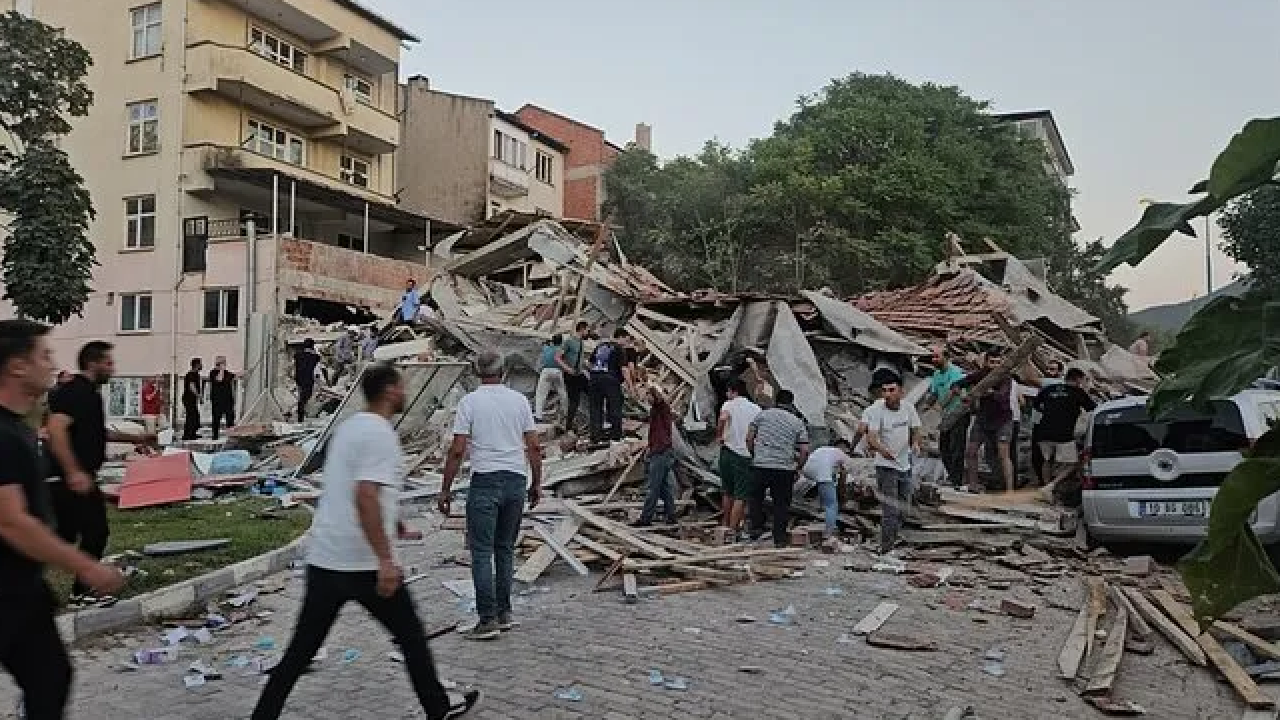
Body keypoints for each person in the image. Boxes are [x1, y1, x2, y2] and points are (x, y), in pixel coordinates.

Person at [251, 363, 479, 720]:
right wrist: (385, 559)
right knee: (411, 637)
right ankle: (437, 709)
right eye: (400, 387)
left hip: (325, 558)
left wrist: (394, 523)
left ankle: (263, 715)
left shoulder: (348, 428)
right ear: (388, 391)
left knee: (301, 650)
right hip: (363, 564)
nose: (405, 393)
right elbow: (365, 495)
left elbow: (352, 489)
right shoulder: (380, 434)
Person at [0, 320, 126, 720]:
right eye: (44, 355)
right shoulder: (3, 436)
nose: (53, 364)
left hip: (21, 588)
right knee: (48, 679)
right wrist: (86, 567)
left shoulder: (18, 428)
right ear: (17, 366)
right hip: (4, 591)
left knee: (51, 678)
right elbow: (11, 522)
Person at [438, 351, 542, 641]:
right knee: (505, 549)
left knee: (482, 552)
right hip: (515, 479)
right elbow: (534, 446)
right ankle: (505, 612)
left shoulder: (469, 402)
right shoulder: (519, 401)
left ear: (476, 372)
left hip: (485, 480)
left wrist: (445, 488)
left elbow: (457, 450)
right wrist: (537, 483)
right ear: (503, 371)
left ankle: (487, 619)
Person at [46, 341, 156, 604]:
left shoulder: (91, 395)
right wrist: (73, 472)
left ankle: (78, 590)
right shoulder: (74, 392)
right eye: (108, 363)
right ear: (92, 363)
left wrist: (137, 438)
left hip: (79, 478)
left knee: (73, 535)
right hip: (69, 480)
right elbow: (56, 430)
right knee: (91, 532)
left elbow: (96, 432)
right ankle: (81, 591)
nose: (112, 369)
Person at [861, 374, 922, 553]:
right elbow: (871, 437)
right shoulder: (877, 410)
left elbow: (916, 428)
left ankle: (896, 538)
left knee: (904, 505)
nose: (887, 394)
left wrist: (916, 443)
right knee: (891, 509)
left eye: (891, 390)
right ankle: (886, 548)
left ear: (901, 392)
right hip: (886, 466)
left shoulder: (908, 408)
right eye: (884, 391)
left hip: (905, 464)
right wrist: (882, 450)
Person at [745, 389, 810, 547]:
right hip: (784, 469)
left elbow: (749, 438)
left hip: (761, 465)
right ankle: (779, 539)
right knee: (781, 504)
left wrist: (754, 454)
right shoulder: (797, 422)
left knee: (755, 499)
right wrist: (798, 467)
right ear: (791, 403)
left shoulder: (762, 415)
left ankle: (755, 530)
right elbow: (804, 450)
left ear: (776, 400)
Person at [952, 351, 1016, 493]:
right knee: (971, 452)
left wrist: (989, 392)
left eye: (998, 362)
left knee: (1003, 455)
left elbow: (1002, 396)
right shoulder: (980, 375)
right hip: (982, 419)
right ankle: (973, 485)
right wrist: (961, 393)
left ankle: (1010, 490)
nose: (995, 365)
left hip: (1002, 420)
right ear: (986, 362)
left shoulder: (1005, 377)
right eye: (992, 362)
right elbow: (957, 384)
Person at [1032, 367, 1097, 489]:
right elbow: (1092, 408)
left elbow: (1036, 405)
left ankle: (1046, 489)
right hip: (1064, 435)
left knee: (1047, 461)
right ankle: (1051, 486)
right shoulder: (1077, 392)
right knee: (1073, 464)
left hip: (1043, 432)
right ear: (1078, 380)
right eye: (1083, 380)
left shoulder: (1049, 389)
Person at [716, 378, 760, 535]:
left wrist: (719, 435)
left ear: (733, 391)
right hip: (744, 454)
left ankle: (725, 524)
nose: (726, 394)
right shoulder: (756, 409)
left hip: (727, 451)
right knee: (741, 494)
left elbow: (723, 418)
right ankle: (733, 529)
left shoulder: (729, 405)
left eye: (728, 391)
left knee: (727, 491)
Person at [921, 347, 968, 487]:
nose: (934, 360)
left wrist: (940, 405)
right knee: (944, 447)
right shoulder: (936, 374)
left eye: (937, 357)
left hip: (959, 413)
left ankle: (956, 480)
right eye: (933, 357)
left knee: (956, 447)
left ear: (946, 357)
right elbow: (934, 393)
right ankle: (952, 477)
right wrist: (926, 405)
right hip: (947, 416)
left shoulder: (955, 372)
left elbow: (953, 392)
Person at [636, 385, 678, 527]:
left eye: (647, 396)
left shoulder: (661, 409)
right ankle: (671, 515)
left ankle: (646, 518)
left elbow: (659, 432)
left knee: (653, 487)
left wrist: (654, 449)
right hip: (662, 450)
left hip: (660, 451)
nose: (646, 399)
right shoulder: (656, 410)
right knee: (664, 486)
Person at [800, 438, 855, 541]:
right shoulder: (842, 455)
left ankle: (824, 518)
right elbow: (844, 476)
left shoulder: (825, 450)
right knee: (832, 505)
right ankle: (828, 533)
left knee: (826, 491)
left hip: (808, 470)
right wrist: (842, 495)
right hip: (823, 472)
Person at [586, 329, 629, 444]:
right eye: (626, 340)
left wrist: (595, 373)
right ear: (621, 337)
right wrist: (630, 386)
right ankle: (615, 436)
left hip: (594, 379)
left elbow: (589, 363)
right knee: (615, 406)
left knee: (595, 408)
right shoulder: (619, 349)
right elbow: (624, 369)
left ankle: (595, 436)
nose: (627, 343)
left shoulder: (600, 346)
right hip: (610, 379)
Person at [1029, 359, 1064, 484]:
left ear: (1060, 372)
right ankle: (1043, 482)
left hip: (1048, 424)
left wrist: (1026, 359)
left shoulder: (1057, 382)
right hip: (1039, 423)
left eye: (1052, 369)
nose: (1048, 371)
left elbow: (1030, 379)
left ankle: (1047, 482)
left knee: (1045, 456)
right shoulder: (1049, 383)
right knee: (1037, 455)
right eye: (1047, 369)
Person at [558, 322, 590, 432]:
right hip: (570, 375)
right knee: (574, 401)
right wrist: (567, 369)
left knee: (593, 392)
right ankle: (569, 426)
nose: (588, 333)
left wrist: (587, 367)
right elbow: (557, 357)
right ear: (582, 329)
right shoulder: (569, 341)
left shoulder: (581, 343)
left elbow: (580, 359)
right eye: (587, 330)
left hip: (579, 374)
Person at [533, 334, 567, 423]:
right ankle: (565, 412)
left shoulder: (546, 348)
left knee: (540, 394)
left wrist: (547, 343)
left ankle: (538, 416)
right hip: (558, 371)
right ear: (561, 342)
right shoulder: (561, 350)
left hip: (546, 371)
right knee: (562, 392)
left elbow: (543, 345)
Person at [207, 356, 236, 441]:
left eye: (224, 363)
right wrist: (221, 370)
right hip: (217, 400)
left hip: (228, 400)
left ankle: (231, 436)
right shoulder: (213, 372)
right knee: (216, 419)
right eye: (222, 363)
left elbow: (234, 376)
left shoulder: (227, 373)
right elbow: (219, 379)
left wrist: (247, 371)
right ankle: (215, 436)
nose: (224, 364)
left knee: (230, 419)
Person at [294, 339, 322, 422]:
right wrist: (319, 382)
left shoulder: (297, 355)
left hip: (299, 379)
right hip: (309, 379)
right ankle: (301, 416)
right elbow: (317, 371)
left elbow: (294, 367)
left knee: (301, 396)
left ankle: (301, 415)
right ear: (312, 346)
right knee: (305, 397)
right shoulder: (316, 357)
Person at [181, 358, 203, 440]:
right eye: (200, 364)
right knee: (191, 417)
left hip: (192, 399)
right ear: (196, 365)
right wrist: (199, 396)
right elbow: (192, 386)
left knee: (195, 416)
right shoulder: (191, 374)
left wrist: (198, 397)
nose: (201, 365)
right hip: (188, 399)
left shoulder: (196, 374)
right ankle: (187, 435)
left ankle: (192, 433)